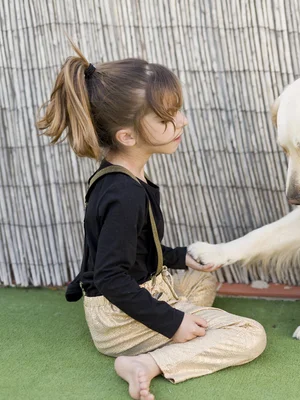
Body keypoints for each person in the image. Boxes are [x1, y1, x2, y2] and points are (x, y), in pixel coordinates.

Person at [36, 41, 266, 400]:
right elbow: (111, 277)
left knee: (202, 281)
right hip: (119, 317)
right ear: (126, 136)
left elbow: (131, 248)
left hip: (141, 292)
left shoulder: (124, 178)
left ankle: (174, 323)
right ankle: (146, 362)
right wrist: (171, 323)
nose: (183, 121)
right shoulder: (123, 194)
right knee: (250, 335)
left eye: (179, 111)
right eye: (167, 118)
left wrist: (177, 257)